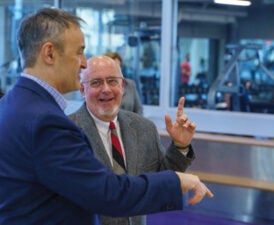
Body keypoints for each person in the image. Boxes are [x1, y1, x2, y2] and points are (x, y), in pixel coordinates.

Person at [0, 8, 213, 225]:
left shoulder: (11, 106)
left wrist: (179, 149)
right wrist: (176, 181)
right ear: (50, 53)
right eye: (79, 52)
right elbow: (107, 193)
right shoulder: (49, 123)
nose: (83, 62)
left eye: (112, 81)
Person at [70, 55, 196, 225]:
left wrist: (180, 146)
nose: (106, 89)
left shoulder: (144, 128)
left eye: (112, 81)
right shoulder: (68, 132)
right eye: (96, 83)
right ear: (82, 90)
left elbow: (160, 180)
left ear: (122, 86)